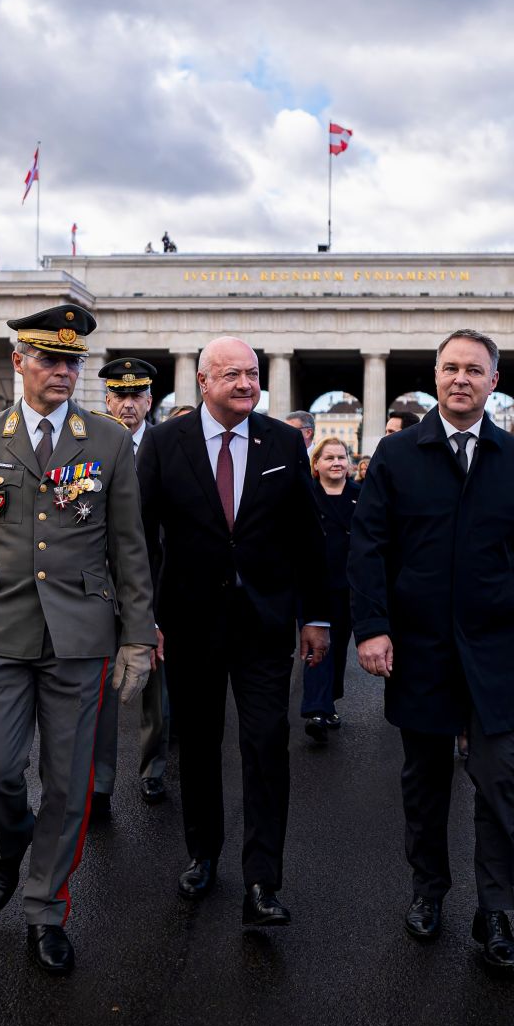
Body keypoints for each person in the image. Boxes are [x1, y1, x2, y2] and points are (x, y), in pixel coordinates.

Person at [0, 305, 156, 975]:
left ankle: (46, 906)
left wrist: (137, 636)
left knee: (67, 782)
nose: (61, 369)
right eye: (48, 358)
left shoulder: (107, 441)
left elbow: (129, 549)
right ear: (18, 363)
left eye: (71, 360)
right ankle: (11, 838)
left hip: (81, 635)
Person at [349, 329, 514, 971]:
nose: (461, 378)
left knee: (501, 780)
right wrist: (373, 627)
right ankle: (428, 892)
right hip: (419, 646)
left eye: (474, 369)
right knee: (425, 782)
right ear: (433, 378)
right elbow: (369, 548)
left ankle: (495, 910)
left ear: (494, 382)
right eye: (450, 368)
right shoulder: (395, 454)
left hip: (495, 648)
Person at [135, 337, 329, 926]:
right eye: (233, 375)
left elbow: (308, 537)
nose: (247, 384)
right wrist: (142, 620)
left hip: (264, 625)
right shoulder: (166, 443)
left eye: (253, 374)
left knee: (267, 745)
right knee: (197, 744)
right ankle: (203, 853)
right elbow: (142, 538)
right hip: (189, 623)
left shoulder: (283, 442)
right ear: (203, 382)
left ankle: (263, 879)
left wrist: (315, 616)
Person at [92, 357, 169, 809]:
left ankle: (153, 770)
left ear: (149, 401)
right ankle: (101, 782)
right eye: (119, 396)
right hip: (100, 585)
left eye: (135, 396)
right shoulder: (93, 444)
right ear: (107, 400)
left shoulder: (165, 445)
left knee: (155, 690)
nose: (127, 405)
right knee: (99, 690)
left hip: (154, 585)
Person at [301, 436, 358, 742]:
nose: (336, 463)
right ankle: (316, 710)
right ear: (317, 464)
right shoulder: (307, 495)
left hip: (347, 585)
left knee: (338, 646)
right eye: (329, 458)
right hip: (313, 583)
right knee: (317, 645)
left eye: (341, 458)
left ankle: (329, 698)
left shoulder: (360, 494)